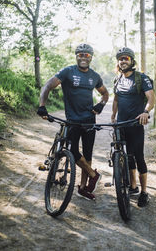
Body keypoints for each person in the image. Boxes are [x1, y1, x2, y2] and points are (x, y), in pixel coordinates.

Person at [37, 43, 109, 201]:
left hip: (90, 120)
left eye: (87, 55)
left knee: (88, 154)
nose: (83, 57)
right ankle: (93, 174)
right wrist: (42, 106)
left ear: (91, 58)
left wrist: (101, 105)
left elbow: (105, 94)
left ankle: (83, 189)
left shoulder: (95, 76)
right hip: (73, 121)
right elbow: (48, 85)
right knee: (72, 150)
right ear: (76, 56)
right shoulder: (68, 72)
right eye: (80, 54)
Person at [111, 47, 155, 207]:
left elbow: (151, 98)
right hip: (121, 125)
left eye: (126, 58)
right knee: (127, 155)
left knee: (138, 157)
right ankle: (133, 186)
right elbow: (116, 100)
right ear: (118, 62)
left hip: (136, 124)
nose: (123, 61)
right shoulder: (118, 80)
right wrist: (113, 116)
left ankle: (144, 192)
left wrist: (145, 112)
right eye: (121, 59)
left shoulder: (141, 78)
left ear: (131, 61)